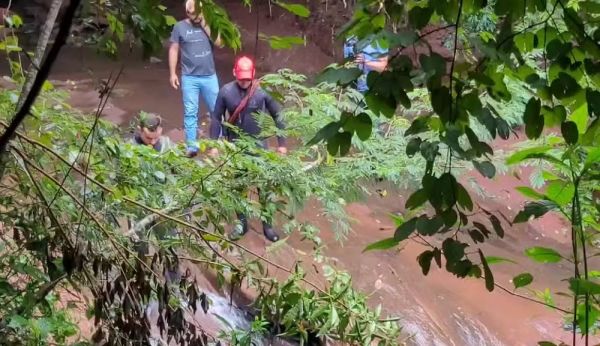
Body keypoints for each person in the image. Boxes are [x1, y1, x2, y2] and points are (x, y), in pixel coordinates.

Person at [209, 56, 287, 242]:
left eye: (247, 78)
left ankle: (267, 226)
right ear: (235, 73)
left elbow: (279, 116)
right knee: (239, 187)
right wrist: (214, 144)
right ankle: (241, 224)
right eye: (241, 78)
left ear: (253, 75)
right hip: (236, 145)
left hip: (259, 146)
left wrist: (282, 145)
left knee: (264, 188)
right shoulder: (226, 92)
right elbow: (216, 118)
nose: (244, 82)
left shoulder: (262, 92)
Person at [169, 0, 222, 158]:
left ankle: (216, 145)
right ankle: (192, 146)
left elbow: (219, 43)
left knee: (216, 111)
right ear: (187, 12)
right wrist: (172, 73)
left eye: (197, 12)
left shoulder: (209, 24)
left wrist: (205, 22)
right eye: (191, 13)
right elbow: (174, 49)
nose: (195, 16)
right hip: (189, 77)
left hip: (209, 76)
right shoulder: (179, 27)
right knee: (190, 112)